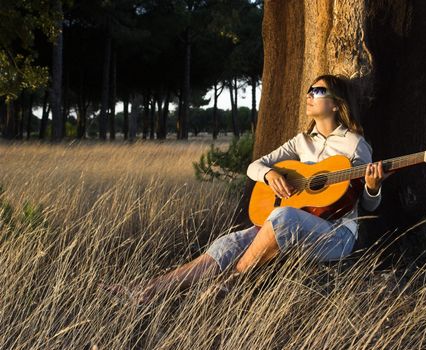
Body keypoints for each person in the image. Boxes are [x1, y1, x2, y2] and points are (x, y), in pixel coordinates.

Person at [101, 74, 390, 304]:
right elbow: (255, 166)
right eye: (308, 90)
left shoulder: (354, 144)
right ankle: (147, 290)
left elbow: (368, 205)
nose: (308, 96)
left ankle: (228, 285)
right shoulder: (302, 142)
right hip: (297, 222)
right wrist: (270, 175)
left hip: (336, 235)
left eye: (317, 92)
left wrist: (373, 187)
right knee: (231, 242)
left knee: (281, 217)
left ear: (336, 104)